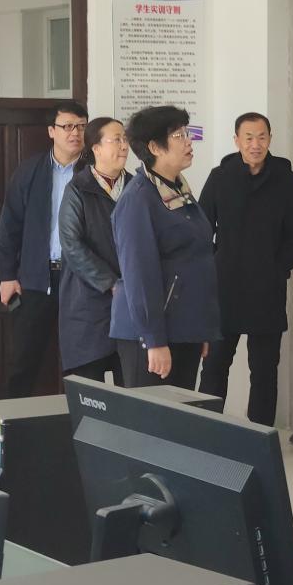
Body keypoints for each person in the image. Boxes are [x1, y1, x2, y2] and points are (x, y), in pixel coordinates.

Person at [196, 112, 293, 425]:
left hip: (267, 290)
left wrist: (278, 268)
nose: (255, 144)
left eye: (261, 137)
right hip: (225, 288)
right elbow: (201, 229)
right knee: (214, 366)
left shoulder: (287, 181)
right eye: (248, 138)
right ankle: (205, 432)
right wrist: (217, 263)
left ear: (270, 139)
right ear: (237, 140)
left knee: (264, 371)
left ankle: (260, 437)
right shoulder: (220, 177)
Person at [109, 105, 220, 389]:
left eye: (187, 133)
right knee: (150, 415)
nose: (189, 141)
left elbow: (196, 258)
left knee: (181, 414)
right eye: (179, 135)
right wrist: (153, 339)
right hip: (151, 335)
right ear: (154, 147)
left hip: (184, 328)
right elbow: (139, 275)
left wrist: (199, 327)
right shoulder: (139, 198)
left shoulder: (179, 190)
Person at [0, 100, 88, 398]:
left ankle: (79, 424)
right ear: (51, 131)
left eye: (81, 126)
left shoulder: (93, 171)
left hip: (81, 282)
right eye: (67, 126)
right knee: (23, 362)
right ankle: (13, 424)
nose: (75, 133)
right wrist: (7, 275)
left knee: (82, 364)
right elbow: (9, 225)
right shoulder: (30, 171)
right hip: (36, 281)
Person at [57, 117, 131, 384]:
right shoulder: (78, 188)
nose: (124, 146)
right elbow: (71, 244)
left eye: (125, 139)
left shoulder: (137, 187)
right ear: (96, 148)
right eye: (116, 140)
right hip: (86, 306)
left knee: (133, 396)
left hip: (129, 305)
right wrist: (110, 283)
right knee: (89, 397)